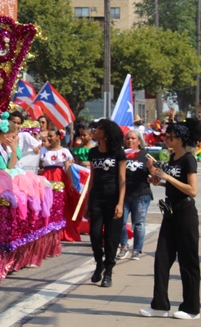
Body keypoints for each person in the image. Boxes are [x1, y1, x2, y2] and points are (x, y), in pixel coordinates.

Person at [140, 118, 201, 320]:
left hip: (186, 212)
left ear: (180, 139)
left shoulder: (188, 159)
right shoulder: (172, 160)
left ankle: (191, 308)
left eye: (169, 137)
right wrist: (158, 181)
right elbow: (173, 185)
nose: (166, 139)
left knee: (188, 261)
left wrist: (167, 178)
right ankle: (159, 305)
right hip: (169, 209)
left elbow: (192, 190)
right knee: (161, 259)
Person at [84, 119, 126, 288]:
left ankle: (108, 270)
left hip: (114, 196)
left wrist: (121, 203)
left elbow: (123, 179)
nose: (94, 131)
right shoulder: (93, 153)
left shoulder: (118, 153)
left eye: (98, 129)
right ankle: (98, 263)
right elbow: (92, 179)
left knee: (111, 237)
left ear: (106, 133)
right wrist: (87, 203)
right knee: (94, 234)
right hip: (97, 197)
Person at [0, 112, 44, 219]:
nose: (13, 139)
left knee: (34, 180)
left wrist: (13, 148)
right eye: (12, 136)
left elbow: (11, 166)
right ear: (5, 134)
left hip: (6, 174)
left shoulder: (3, 145)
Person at [40, 127, 81, 241]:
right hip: (46, 177)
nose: (48, 138)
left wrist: (72, 182)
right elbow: (37, 165)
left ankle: (61, 231)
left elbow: (67, 167)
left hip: (59, 177)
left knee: (60, 204)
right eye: (48, 136)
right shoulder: (43, 150)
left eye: (51, 136)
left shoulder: (64, 151)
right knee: (46, 203)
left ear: (58, 137)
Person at [117, 130, 153, 261]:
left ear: (139, 141)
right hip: (124, 194)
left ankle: (137, 249)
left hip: (141, 194)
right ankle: (124, 247)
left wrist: (152, 169)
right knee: (120, 221)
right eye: (127, 138)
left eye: (133, 138)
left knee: (138, 224)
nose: (130, 141)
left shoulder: (145, 155)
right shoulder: (121, 155)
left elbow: (153, 173)